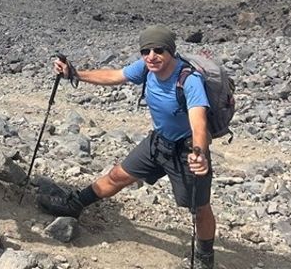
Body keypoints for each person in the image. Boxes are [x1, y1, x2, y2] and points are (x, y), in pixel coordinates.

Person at [40, 27, 216, 269]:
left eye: (158, 50)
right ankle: (75, 204)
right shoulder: (146, 68)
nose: (151, 56)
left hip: (187, 150)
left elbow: (199, 123)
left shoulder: (189, 79)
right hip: (159, 142)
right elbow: (114, 76)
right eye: (146, 51)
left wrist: (199, 154)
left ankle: (205, 258)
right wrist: (75, 73)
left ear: (171, 51)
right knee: (118, 175)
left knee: (198, 207)